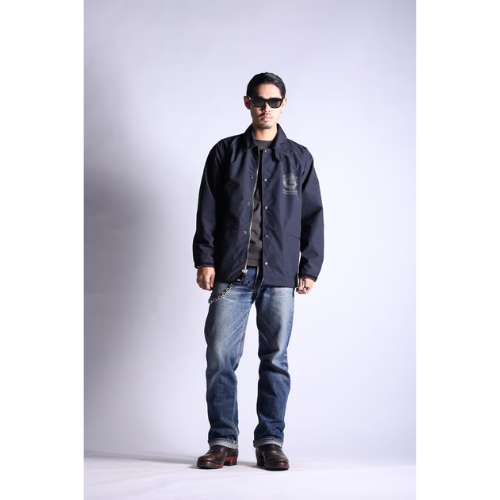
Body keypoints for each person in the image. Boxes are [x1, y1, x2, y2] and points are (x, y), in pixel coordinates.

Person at [192, 72, 324, 471]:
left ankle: (270, 442)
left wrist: (309, 266)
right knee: (220, 357)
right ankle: (223, 441)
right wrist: (205, 259)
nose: (266, 108)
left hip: (279, 275)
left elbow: (312, 215)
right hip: (231, 273)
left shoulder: (298, 158)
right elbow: (208, 209)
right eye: (259, 100)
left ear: (283, 105)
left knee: (275, 359)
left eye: (274, 101)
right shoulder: (225, 153)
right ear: (247, 102)